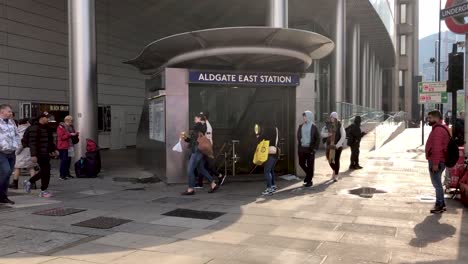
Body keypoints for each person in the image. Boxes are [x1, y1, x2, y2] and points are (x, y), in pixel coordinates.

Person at [181, 114, 218, 195]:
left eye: (196, 118)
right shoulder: (202, 126)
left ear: (200, 119)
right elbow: (194, 140)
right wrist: (186, 139)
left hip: (197, 151)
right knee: (201, 169)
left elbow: (195, 141)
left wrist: (187, 137)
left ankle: (190, 189)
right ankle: (213, 184)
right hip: (199, 150)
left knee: (190, 169)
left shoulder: (199, 125)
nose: (194, 119)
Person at [23, 112, 57, 198]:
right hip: (39, 154)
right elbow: (32, 143)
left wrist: (54, 150)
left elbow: (50, 141)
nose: (48, 119)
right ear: (41, 118)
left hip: (46, 153)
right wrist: (33, 155)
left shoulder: (47, 128)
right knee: (46, 171)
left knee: (46, 171)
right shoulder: (34, 128)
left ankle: (31, 182)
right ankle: (42, 190)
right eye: (47, 118)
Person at [425, 110, 450, 214]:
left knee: (437, 184)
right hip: (440, 160)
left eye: (430, 118)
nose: (428, 120)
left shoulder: (438, 130)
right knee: (437, 183)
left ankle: (439, 205)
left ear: (436, 118)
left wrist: (435, 164)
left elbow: (436, 148)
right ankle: (442, 204)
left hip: (437, 161)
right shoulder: (441, 127)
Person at [0, 104, 20, 205]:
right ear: (2, 111)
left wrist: (16, 145)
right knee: (6, 171)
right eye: (9, 111)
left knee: (7, 175)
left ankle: (3, 196)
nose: (11, 113)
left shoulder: (12, 122)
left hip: (12, 152)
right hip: (1, 152)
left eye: (11, 111)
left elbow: (17, 135)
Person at [9, 119, 36, 189]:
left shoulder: (19, 132)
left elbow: (20, 144)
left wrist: (16, 152)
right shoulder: (31, 130)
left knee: (17, 167)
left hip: (21, 152)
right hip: (30, 151)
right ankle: (33, 183)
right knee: (31, 167)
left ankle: (15, 183)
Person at [297, 111, 320, 187]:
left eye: (305, 116)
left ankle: (309, 181)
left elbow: (318, 138)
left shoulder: (314, 127)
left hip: (310, 149)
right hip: (302, 148)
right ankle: (309, 175)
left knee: (310, 165)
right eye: (303, 116)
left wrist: (314, 149)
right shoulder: (301, 126)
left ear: (309, 117)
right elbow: (298, 136)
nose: (304, 118)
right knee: (301, 163)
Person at [321, 112, 346, 182]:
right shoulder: (327, 125)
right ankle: (334, 170)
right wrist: (327, 134)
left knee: (336, 160)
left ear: (336, 118)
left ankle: (336, 175)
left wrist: (337, 145)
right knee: (330, 160)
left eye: (334, 117)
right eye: (331, 117)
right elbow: (322, 134)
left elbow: (343, 136)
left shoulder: (340, 125)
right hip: (329, 145)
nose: (332, 118)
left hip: (338, 146)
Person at [258, 121, 279, 195]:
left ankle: (269, 189)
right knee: (271, 170)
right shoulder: (276, 128)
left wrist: (259, 137)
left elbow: (265, 139)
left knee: (267, 171)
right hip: (276, 151)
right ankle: (273, 186)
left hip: (271, 152)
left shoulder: (269, 129)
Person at [57, 115, 79, 180]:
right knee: (64, 161)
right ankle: (62, 175)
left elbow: (72, 134)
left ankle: (67, 173)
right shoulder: (61, 127)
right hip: (63, 146)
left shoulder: (71, 127)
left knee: (68, 160)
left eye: (72, 121)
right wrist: (70, 134)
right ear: (67, 120)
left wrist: (75, 134)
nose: (72, 122)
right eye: (71, 121)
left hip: (70, 145)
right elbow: (62, 137)